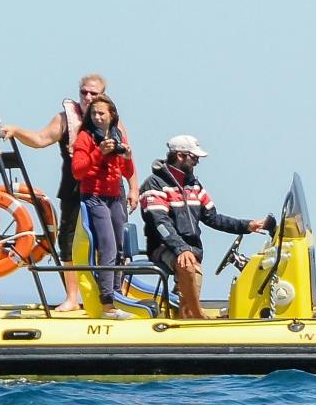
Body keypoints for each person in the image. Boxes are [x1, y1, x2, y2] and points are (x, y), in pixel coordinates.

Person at [0, 71, 105, 310]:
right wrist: (16, 130)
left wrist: (132, 188)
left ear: (102, 96)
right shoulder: (65, 119)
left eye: (93, 93)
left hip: (103, 190)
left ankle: (107, 296)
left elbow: (127, 158)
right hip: (73, 189)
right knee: (68, 241)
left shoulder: (110, 118)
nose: (88, 97)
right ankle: (72, 298)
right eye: (84, 92)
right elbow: (40, 138)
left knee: (105, 242)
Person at [138, 134, 270, 320]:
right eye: (194, 157)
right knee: (188, 266)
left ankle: (184, 316)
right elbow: (160, 224)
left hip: (191, 249)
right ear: (180, 156)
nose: (197, 162)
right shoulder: (154, 185)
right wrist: (181, 249)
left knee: (191, 266)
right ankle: (196, 315)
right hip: (163, 246)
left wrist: (247, 226)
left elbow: (213, 217)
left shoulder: (194, 185)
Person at [69, 96, 138, 311]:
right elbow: (78, 170)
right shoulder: (85, 137)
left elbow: (128, 171)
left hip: (115, 195)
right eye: (94, 114)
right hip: (94, 196)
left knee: (119, 246)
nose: (97, 117)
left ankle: (117, 293)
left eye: (101, 113)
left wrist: (126, 156)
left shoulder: (117, 135)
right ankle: (107, 301)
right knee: (107, 246)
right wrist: (99, 152)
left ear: (112, 115)